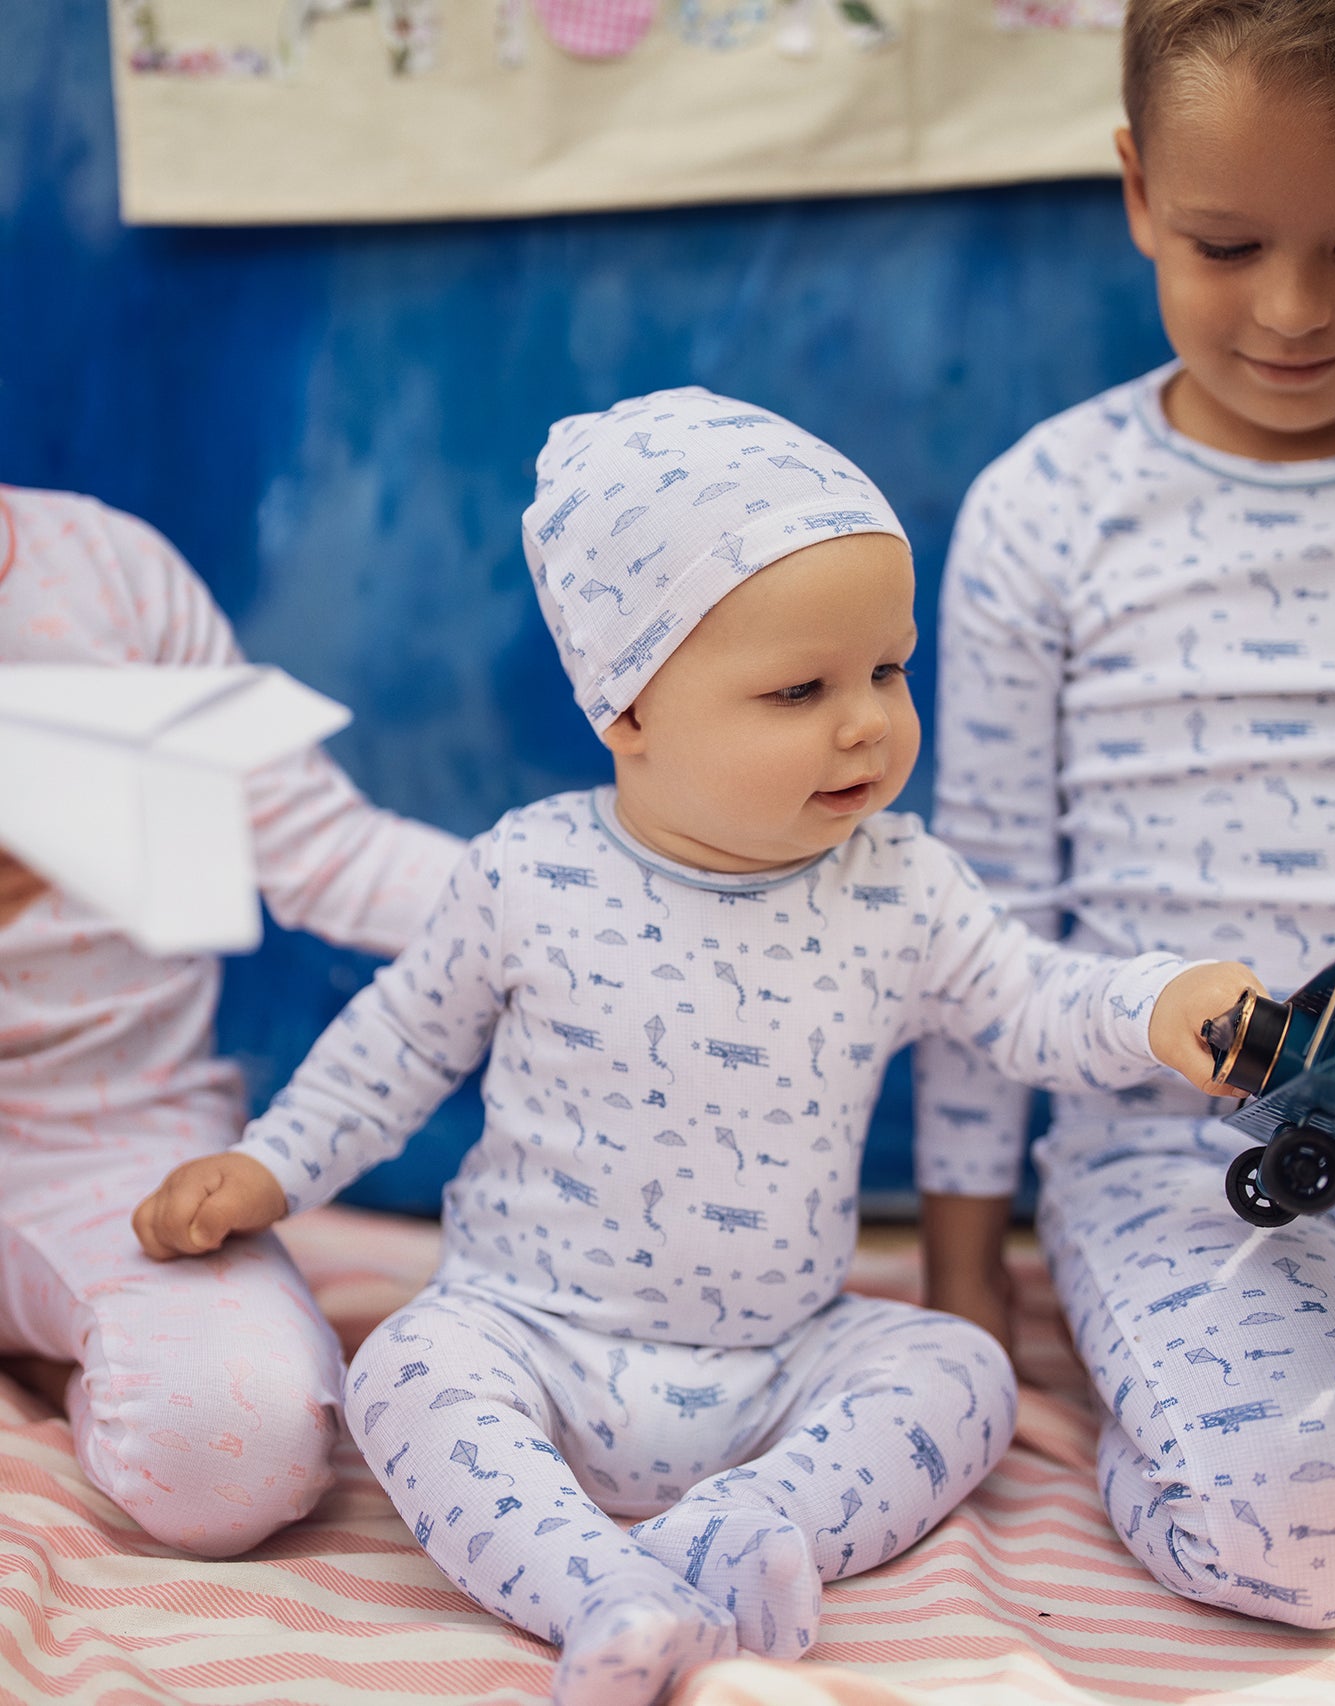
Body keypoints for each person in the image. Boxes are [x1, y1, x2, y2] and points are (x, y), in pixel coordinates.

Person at [134, 387, 1257, 1706]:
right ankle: (592, 1592)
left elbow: (1028, 997)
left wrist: (1155, 1004)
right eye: (801, 688)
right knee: (407, 1369)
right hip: (534, 1333)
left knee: (960, 1372)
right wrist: (270, 1170)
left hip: (782, 1362)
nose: (866, 722)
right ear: (626, 710)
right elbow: (391, 1048)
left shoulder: (899, 883)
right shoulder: (530, 874)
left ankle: (739, 1529)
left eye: (889, 671)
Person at [914, 0, 1335, 1630]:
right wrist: (966, 1274)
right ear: (1136, 191)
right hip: (1168, 1158)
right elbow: (985, 922)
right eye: (1229, 242)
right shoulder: (1047, 512)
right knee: (1302, 1530)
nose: (1298, 311)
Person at [0, 484, 462, 1555]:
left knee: (236, 1446)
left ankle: (78, 1327)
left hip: (112, 1144)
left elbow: (326, 851)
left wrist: (592, 893)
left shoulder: (107, 569)